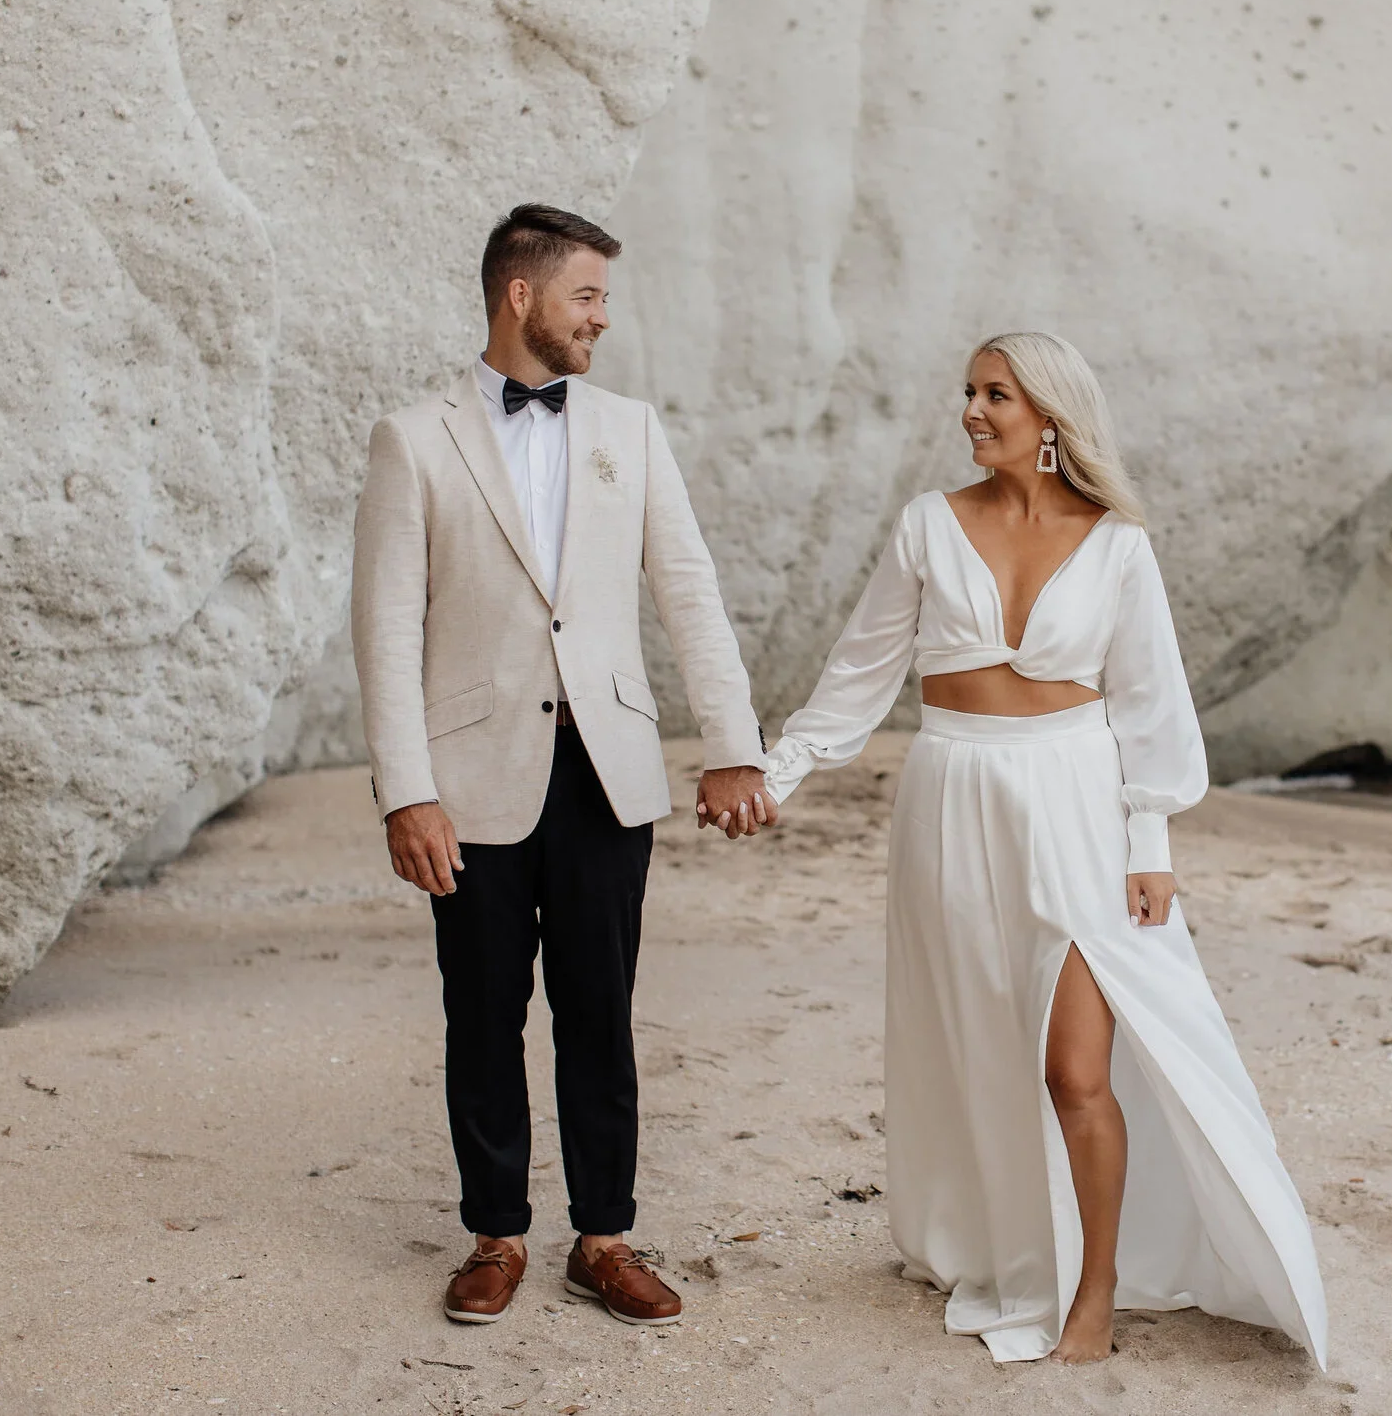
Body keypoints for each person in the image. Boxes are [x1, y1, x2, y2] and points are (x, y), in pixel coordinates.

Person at [762, 332, 1329, 1366]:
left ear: (1050, 413)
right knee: (980, 1045)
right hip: (950, 796)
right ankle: (1011, 1244)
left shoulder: (1117, 542)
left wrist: (1150, 839)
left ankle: (1096, 1288)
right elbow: (859, 674)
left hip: (1077, 803)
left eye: (996, 394)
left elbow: (1150, 702)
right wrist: (778, 771)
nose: (973, 410)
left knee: (1077, 1069)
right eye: (968, 392)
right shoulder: (927, 525)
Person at [350, 203, 778, 1328]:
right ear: (521, 296)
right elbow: (385, 626)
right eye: (587, 295)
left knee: (602, 1008)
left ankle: (605, 1236)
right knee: (481, 1012)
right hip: (469, 775)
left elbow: (687, 585)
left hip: (606, 767)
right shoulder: (413, 436)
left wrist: (733, 745)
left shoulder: (629, 428)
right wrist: (406, 788)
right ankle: (495, 1232)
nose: (601, 317)